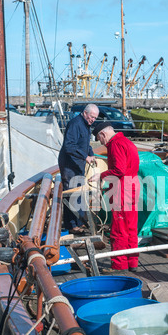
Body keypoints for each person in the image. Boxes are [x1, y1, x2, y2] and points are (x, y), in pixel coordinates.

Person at [89, 121, 140, 272]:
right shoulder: (127, 142)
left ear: (103, 134)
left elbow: (119, 170)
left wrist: (101, 176)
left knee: (118, 228)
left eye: (100, 139)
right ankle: (132, 261)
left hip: (122, 189)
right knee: (130, 226)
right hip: (132, 185)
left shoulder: (115, 145)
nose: (101, 143)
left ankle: (119, 265)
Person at [58, 103, 99, 233]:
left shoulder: (86, 126)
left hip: (78, 164)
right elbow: (68, 146)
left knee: (79, 193)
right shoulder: (75, 124)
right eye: (91, 117)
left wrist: (91, 154)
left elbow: (85, 144)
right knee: (71, 194)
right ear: (85, 113)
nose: (93, 120)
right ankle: (71, 225)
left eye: (95, 118)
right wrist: (85, 156)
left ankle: (79, 222)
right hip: (70, 165)